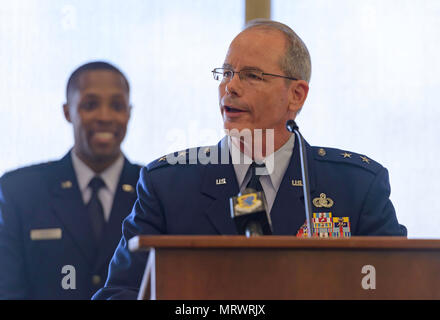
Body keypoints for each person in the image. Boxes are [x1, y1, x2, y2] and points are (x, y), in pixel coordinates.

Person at [93, 20, 407, 300]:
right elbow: (118, 292)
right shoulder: (168, 184)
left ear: (295, 95)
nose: (230, 86)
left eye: (251, 76)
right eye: (226, 73)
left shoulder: (356, 186)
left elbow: (400, 287)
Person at [0, 61, 142, 299]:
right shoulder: (20, 191)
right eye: (90, 105)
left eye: (117, 105)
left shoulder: (155, 190)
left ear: (129, 112)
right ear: (68, 111)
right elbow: (7, 289)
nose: (105, 117)